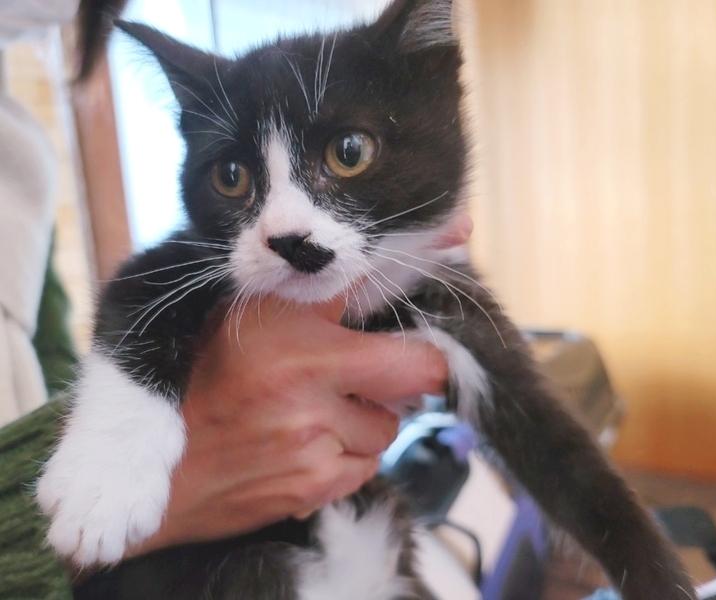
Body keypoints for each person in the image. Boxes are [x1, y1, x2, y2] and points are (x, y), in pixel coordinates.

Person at [0, 3, 474, 597]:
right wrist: (166, 469)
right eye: (233, 180)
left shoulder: (19, 151)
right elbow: (138, 294)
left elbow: (46, 375)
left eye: (346, 154)